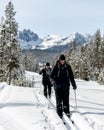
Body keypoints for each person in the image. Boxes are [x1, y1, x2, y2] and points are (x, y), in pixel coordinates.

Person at [50, 54, 77, 119]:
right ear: (59, 60)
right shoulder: (56, 67)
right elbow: (51, 76)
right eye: (61, 60)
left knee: (66, 100)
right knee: (59, 101)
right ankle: (59, 113)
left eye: (63, 60)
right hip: (57, 86)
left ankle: (66, 111)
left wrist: (73, 84)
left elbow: (71, 77)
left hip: (66, 86)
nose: (62, 61)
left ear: (65, 60)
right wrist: (52, 81)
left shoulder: (68, 67)